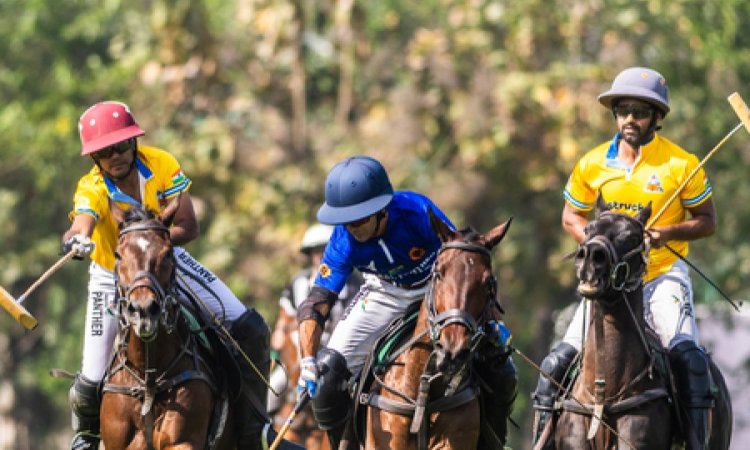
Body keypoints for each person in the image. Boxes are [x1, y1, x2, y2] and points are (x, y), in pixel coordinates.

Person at [62, 101, 301, 450]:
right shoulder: (91, 187)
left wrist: (152, 244)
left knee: (250, 328)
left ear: (133, 141)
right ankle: (85, 439)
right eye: (103, 152)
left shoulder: (161, 163)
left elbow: (188, 225)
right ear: (94, 158)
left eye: (120, 146)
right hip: (112, 271)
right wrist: (76, 239)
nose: (114, 157)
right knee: (90, 377)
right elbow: (82, 222)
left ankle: (255, 429)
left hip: (165, 257)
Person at [531, 67, 717, 450]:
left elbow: (707, 221)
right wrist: (599, 247)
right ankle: (540, 442)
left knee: (690, 360)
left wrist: (667, 233)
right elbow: (571, 216)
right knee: (554, 365)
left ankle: (696, 443)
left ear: (657, 117)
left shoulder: (681, 164)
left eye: (640, 111)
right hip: (606, 283)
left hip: (662, 275)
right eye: (623, 110)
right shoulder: (592, 163)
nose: (630, 118)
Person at [296, 155, 518, 449]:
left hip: (437, 287)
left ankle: (494, 442)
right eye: (345, 222)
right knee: (327, 378)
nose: (352, 228)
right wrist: (308, 360)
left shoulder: (416, 212)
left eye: (359, 219)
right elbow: (317, 302)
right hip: (384, 293)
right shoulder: (342, 241)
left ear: (381, 211)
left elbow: (463, 258)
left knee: (502, 369)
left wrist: (489, 316)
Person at [267, 222, 362, 416]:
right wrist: (280, 333)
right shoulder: (298, 282)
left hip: (339, 351)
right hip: (300, 352)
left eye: (324, 249)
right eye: (316, 251)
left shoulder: (354, 284)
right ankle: (262, 427)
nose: (320, 255)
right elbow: (284, 319)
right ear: (310, 254)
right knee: (272, 388)